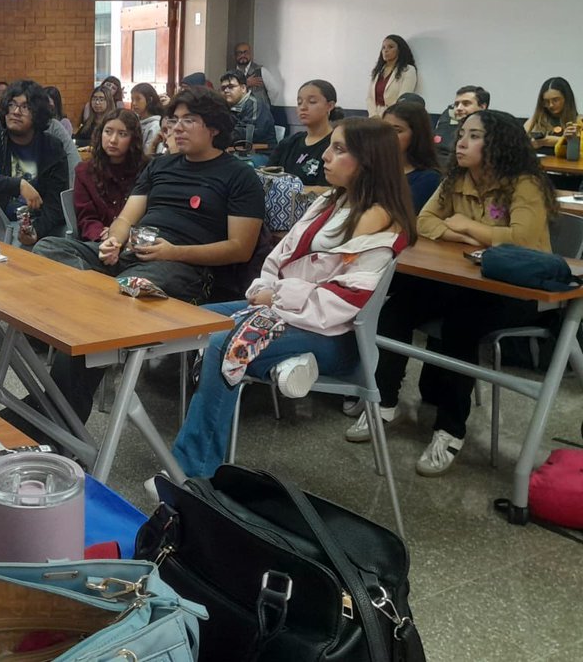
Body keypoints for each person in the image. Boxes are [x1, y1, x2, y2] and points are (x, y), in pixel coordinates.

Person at [171, 117, 416, 478]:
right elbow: (277, 255)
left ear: (369, 161)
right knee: (196, 320)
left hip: (336, 339)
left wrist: (275, 297)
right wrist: (261, 292)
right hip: (289, 314)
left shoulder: (384, 224)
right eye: (330, 146)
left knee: (225, 342)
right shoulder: (329, 204)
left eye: (339, 149)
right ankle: (279, 362)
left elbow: (343, 303)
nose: (326, 157)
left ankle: (194, 473)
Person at [35, 86, 265, 420]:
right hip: (132, 257)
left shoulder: (239, 176)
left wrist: (173, 252)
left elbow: (239, 249)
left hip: (183, 268)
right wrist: (113, 241)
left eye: (190, 120)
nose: (177, 127)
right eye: (175, 119)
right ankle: (93, 301)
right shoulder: (161, 167)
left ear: (214, 128)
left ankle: (58, 413)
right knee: (47, 248)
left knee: (118, 295)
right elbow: (126, 218)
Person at [349, 110, 558, 475]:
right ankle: (383, 404)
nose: (461, 142)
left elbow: (522, 238)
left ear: (498, 144)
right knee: (397, 307)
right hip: (461, 279)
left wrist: (465, 224)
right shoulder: (455, 178)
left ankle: (449, 430)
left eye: (474, 136)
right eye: (462, 134)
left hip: (519, 292)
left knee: (462, 326)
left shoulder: (525, 184)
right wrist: (466, 232)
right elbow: (425, 222)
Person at [0, 79, 68, 246]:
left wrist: (36, 231)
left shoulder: (52, 147)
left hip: (40, 226)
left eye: (25, 107)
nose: (16, 112)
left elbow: (56, 203)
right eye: (12, 105)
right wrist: (18, 185)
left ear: (38, 114)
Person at [73, 109, 145, 242]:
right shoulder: (84, 171)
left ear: (133, 139)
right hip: (99, 241)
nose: (113, 140)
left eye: (122, 134)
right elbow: (86, 218)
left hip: (134, 242)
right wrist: (104, 235)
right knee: (47, 245)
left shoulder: (145, 169)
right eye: (108, 132)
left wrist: (120, 234)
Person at [267, 79, 340, 186]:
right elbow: (267, 176)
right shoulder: (288, 143)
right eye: (299, 102)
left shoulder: (335, 145)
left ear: (330, 106)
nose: (303, 107)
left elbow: (329, 190)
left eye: (312, 102)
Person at [384, 101, 442, 211]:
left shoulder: (429, 178)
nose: (388, 136)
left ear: (416, 135)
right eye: (385, 129)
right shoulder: (375, 167)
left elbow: (399, 214)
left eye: (397, 131)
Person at [219, 70, 277, 163]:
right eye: (223, 88)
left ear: (243, 88)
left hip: (261, 153)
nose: (226, 90)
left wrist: (219, 136)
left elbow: (247, 135)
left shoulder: (256, 105)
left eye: (230, 87)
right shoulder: (227, 107)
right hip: (238, 151)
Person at [432, 85, 489, 169]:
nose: (458, 108)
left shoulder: (490, 135)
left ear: (482, 107)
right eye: (456, 104)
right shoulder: (445, 129)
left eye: (466, 104)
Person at [366, 35, 418, 117]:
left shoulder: (408, 70)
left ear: (399, 50)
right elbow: (369, 98)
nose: (386, 50)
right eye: (383, 47)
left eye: (390, 47)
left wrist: (387, 116)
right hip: (374, 118)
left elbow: (403, 99)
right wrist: (374, 115)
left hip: (395, 117)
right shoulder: (378, 71)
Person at [525, 76, 578, 154]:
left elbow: (579, 146)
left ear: (566, 99)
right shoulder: (536, 119)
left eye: (555, 100)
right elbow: (520, 140)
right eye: (546, 101)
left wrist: (545, 141)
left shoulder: (578, 120)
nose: (551, 105)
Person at [231, 42, 281, 109]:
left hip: (260, 115)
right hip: (238, 116)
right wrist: (246, 84)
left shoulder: (261, 71)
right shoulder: (230, 75)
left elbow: (274, 90)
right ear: (234, 56)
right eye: (239, 53)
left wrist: (266, 107)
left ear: (251, 54)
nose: (243, 55)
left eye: (245, 52)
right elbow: (229, 95)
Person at [129, 82, 165, 154]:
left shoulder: (155, 125)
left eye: (138, 99)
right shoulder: (135, 121)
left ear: (149, 100)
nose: (134, 103)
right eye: (132, 99)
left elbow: (149, 153)